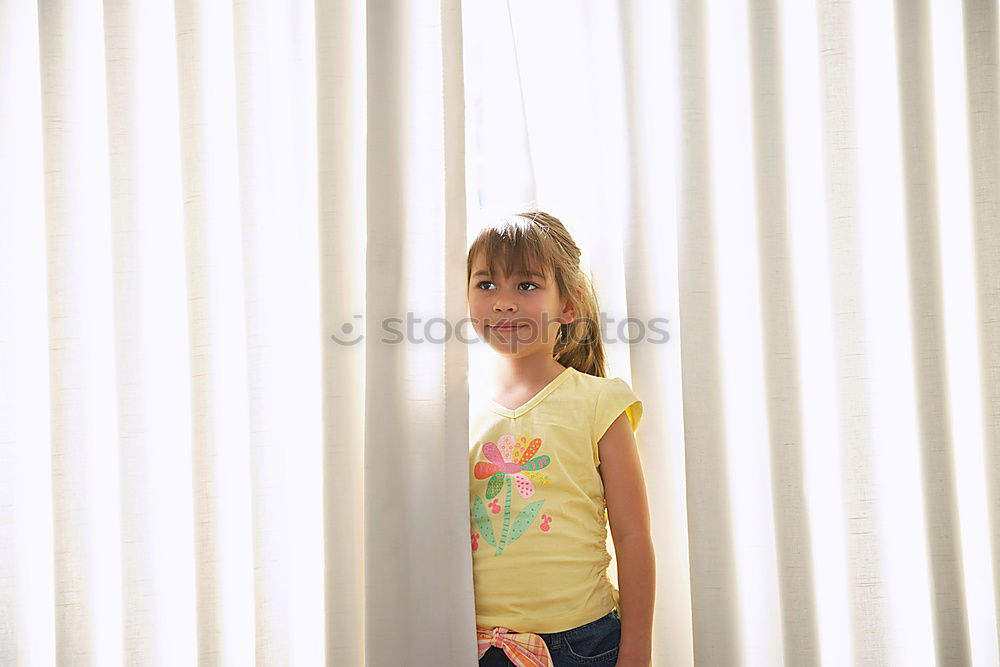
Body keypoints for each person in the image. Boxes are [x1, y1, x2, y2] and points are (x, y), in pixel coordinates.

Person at [467, 210, 655, 666]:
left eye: (526, 286)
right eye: (486, 284)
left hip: (586, 644)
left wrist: (636, 651)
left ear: (568, 305)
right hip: (482, 646)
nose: (504, 302)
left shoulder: (600, 402)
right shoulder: (457, 413)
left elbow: (632, 536)